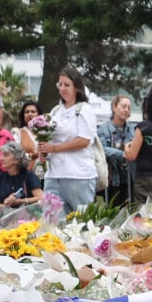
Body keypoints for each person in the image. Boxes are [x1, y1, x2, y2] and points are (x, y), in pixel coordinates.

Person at [35, 66, 98, 214]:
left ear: (77, 87)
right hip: (54, 174)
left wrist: (54, 149)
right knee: (52, 219)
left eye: (67, 85)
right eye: (60, 84)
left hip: (78, 176)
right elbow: (50, 139)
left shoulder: (84, 109)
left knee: (83, 220)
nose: (62, 88)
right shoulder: (56, 111)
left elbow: (84, 141)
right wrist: (44, 151)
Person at [99, 93, 138, 203]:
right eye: (123, 106)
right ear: (114, 107)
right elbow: (102, 149)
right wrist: (123, 154)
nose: (126, 110)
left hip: (130, 177)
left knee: (131, 211)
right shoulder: (103, 128)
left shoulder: (133, 129)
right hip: (112, 177)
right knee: (113, 211)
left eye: (129, 108)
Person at [0, 140, 46, 214]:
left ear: (17, 159)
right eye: (2, 155)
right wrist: (8, 206)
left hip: (28, 219)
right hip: (5, 220)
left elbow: (41, 197)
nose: (1, 158)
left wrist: (19, 202)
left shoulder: (28, 176)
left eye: (5, 155)